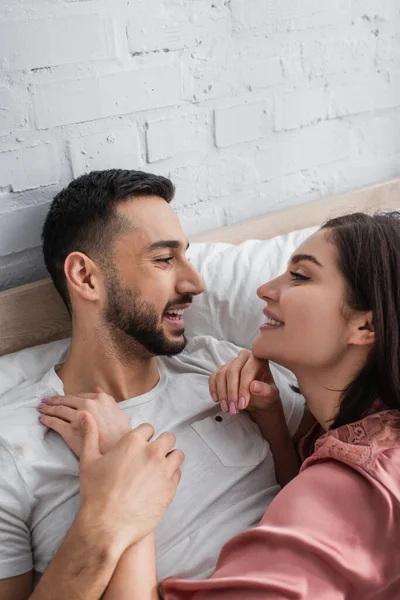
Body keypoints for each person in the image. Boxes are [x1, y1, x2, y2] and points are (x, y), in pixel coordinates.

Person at [41, 210, 400, 599]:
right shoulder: (346, 434)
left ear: (366, 326)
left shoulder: (354, 482)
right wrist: (273, 425)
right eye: (164, 259)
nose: (264, 288)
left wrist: (125, 491)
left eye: (300, 275)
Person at [0, 169, 306, 600]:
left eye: (186, 256)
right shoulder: (13, 446)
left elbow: (313, 495)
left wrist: (272, 416)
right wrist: (106, 516)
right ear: (86, 278)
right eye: (164, 260)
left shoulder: (220, 362)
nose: (195, 283)